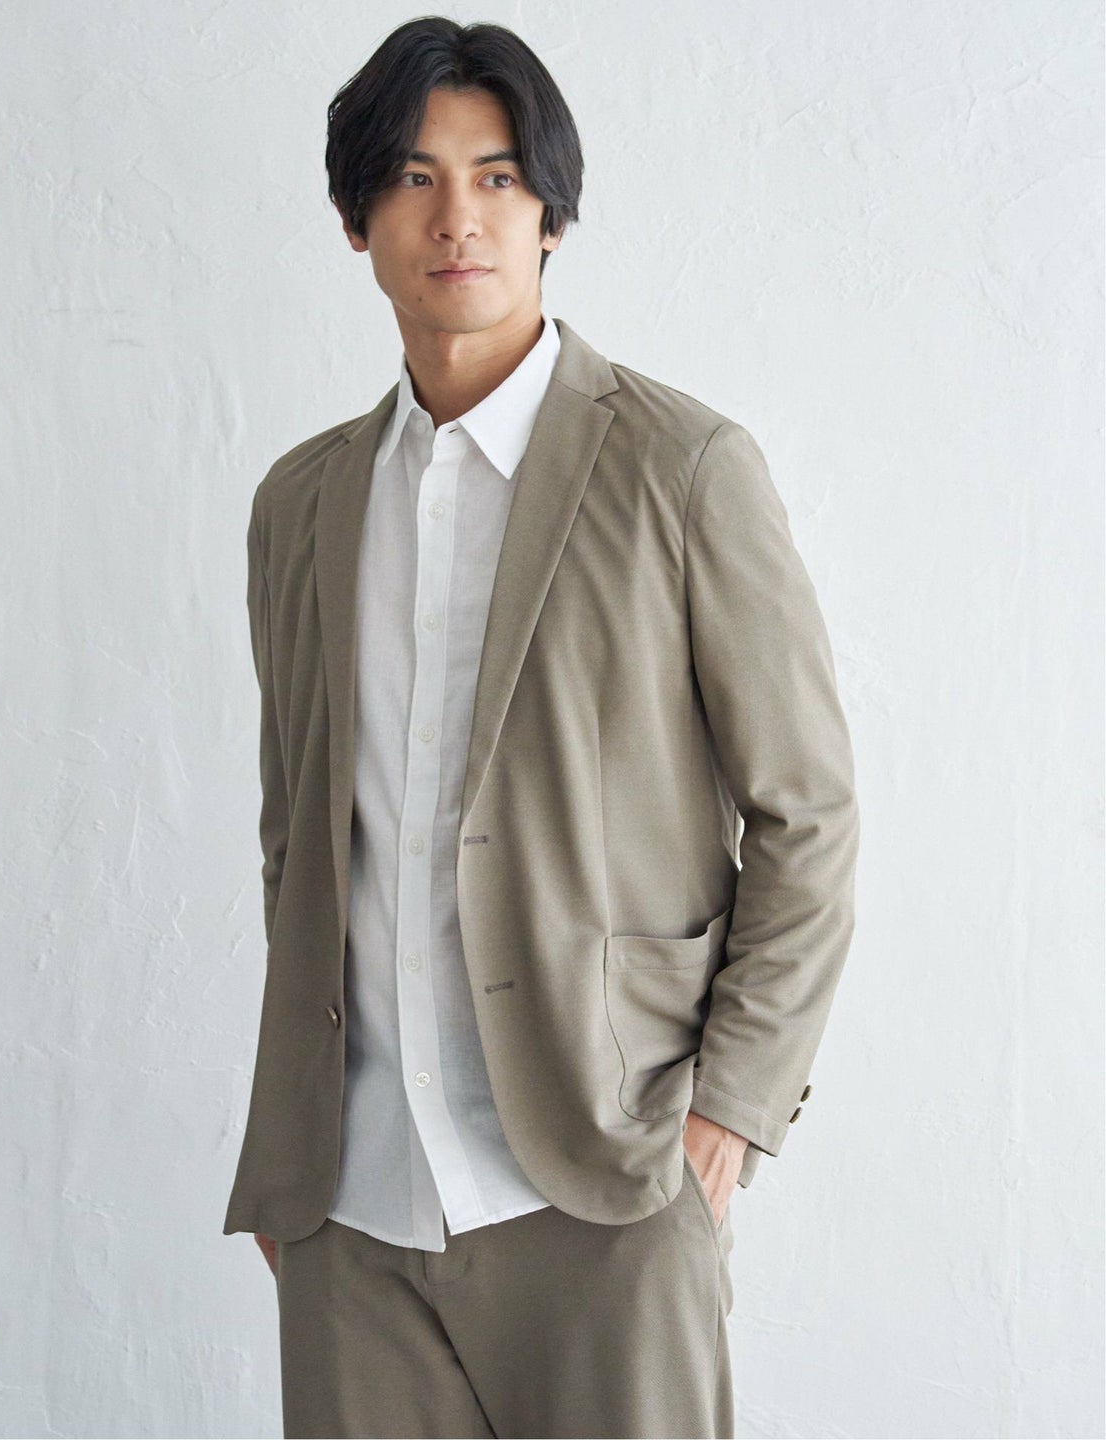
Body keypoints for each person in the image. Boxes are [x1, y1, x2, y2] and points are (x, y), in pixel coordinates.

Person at [223, 16, 860, 1439]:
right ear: (356, 221)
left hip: (607, 1187)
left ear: (552, 215)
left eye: (499, 178)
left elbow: (806, 813)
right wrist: (295, 1144)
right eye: (415, 177)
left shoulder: (682, 469)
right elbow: (296, 838)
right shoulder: (299, 506)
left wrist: (731, 1109)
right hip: (354, 1209)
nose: (459, 217)